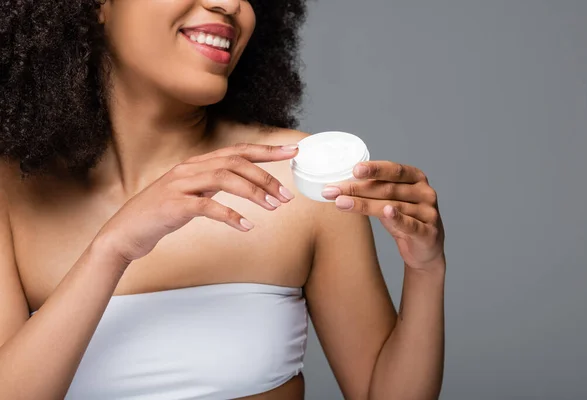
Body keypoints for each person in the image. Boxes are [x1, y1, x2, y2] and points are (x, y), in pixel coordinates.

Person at [0, 1, 446, 399]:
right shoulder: (9, 192)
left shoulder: (299, 178)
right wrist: (112, 248)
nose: (230, 5)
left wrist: (426, 270)